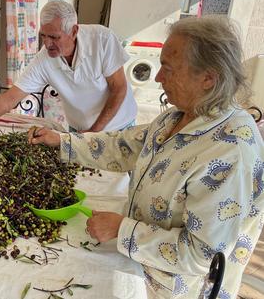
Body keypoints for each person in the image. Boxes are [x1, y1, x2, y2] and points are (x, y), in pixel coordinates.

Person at [28, 16, 264, 298]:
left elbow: (203, 255)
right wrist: (63, 142)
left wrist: (122, 229)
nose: (158, 77)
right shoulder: (180, 116)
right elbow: (124, 145)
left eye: (168, 68)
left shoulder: (230, 151)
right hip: (140, 258)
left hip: (174, 286)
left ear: (208, 79)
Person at [0, 1, 137, 152]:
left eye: (54, 37)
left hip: (118, 127)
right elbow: (8, 100)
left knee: (120, 184)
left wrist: (92, 134)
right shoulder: (44, 60)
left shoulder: (102, 40)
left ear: (74, 31)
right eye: (43, 36)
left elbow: (119, 89)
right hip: (80, 131)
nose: (47, 43)